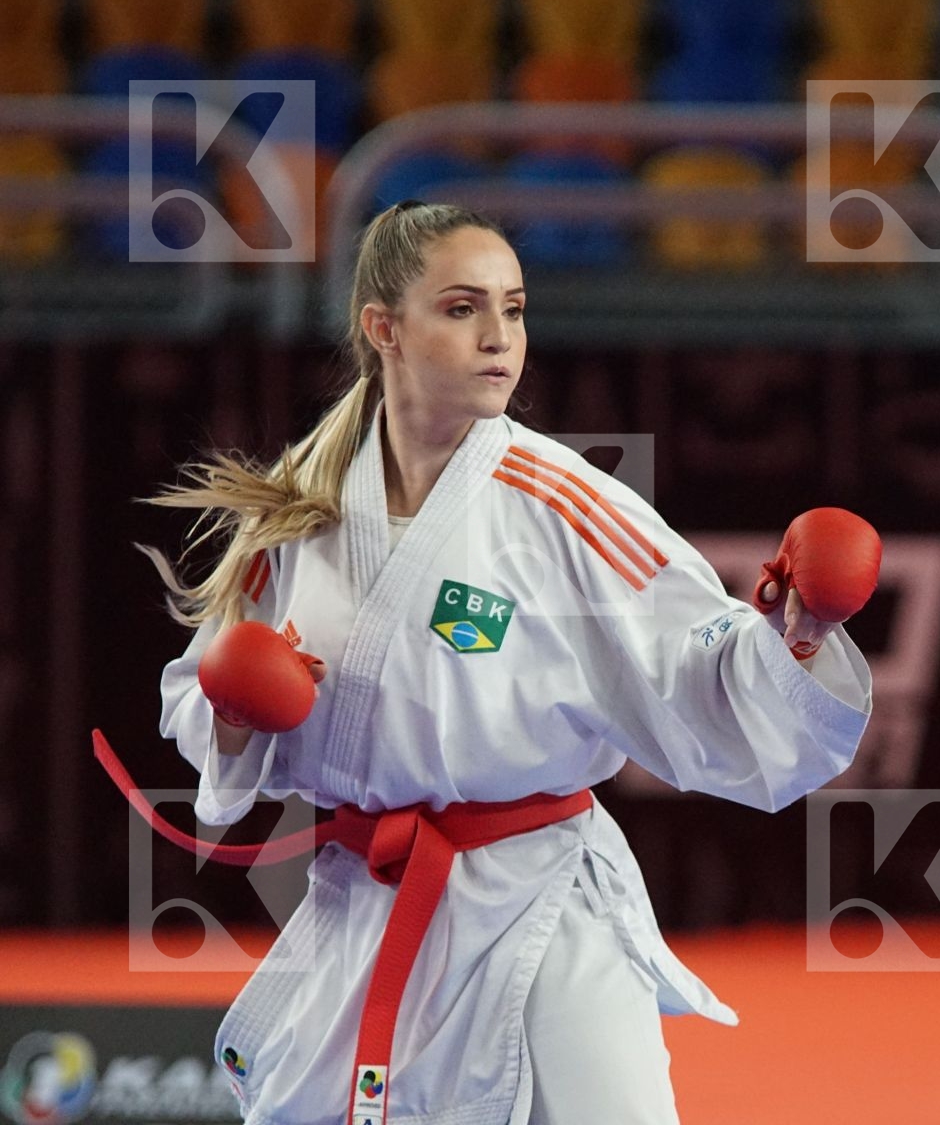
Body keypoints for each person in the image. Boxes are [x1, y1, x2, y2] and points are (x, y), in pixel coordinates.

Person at [124, 201, 877, 1125]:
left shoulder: (563, 504)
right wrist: (234, 708)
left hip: (541, 909)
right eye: (461, 309)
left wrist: (793, 636)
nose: (498, 338)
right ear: (383, 328)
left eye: (514, 310)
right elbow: (202, 705)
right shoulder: (294, 512)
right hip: (369, 904)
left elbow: (694, 661)